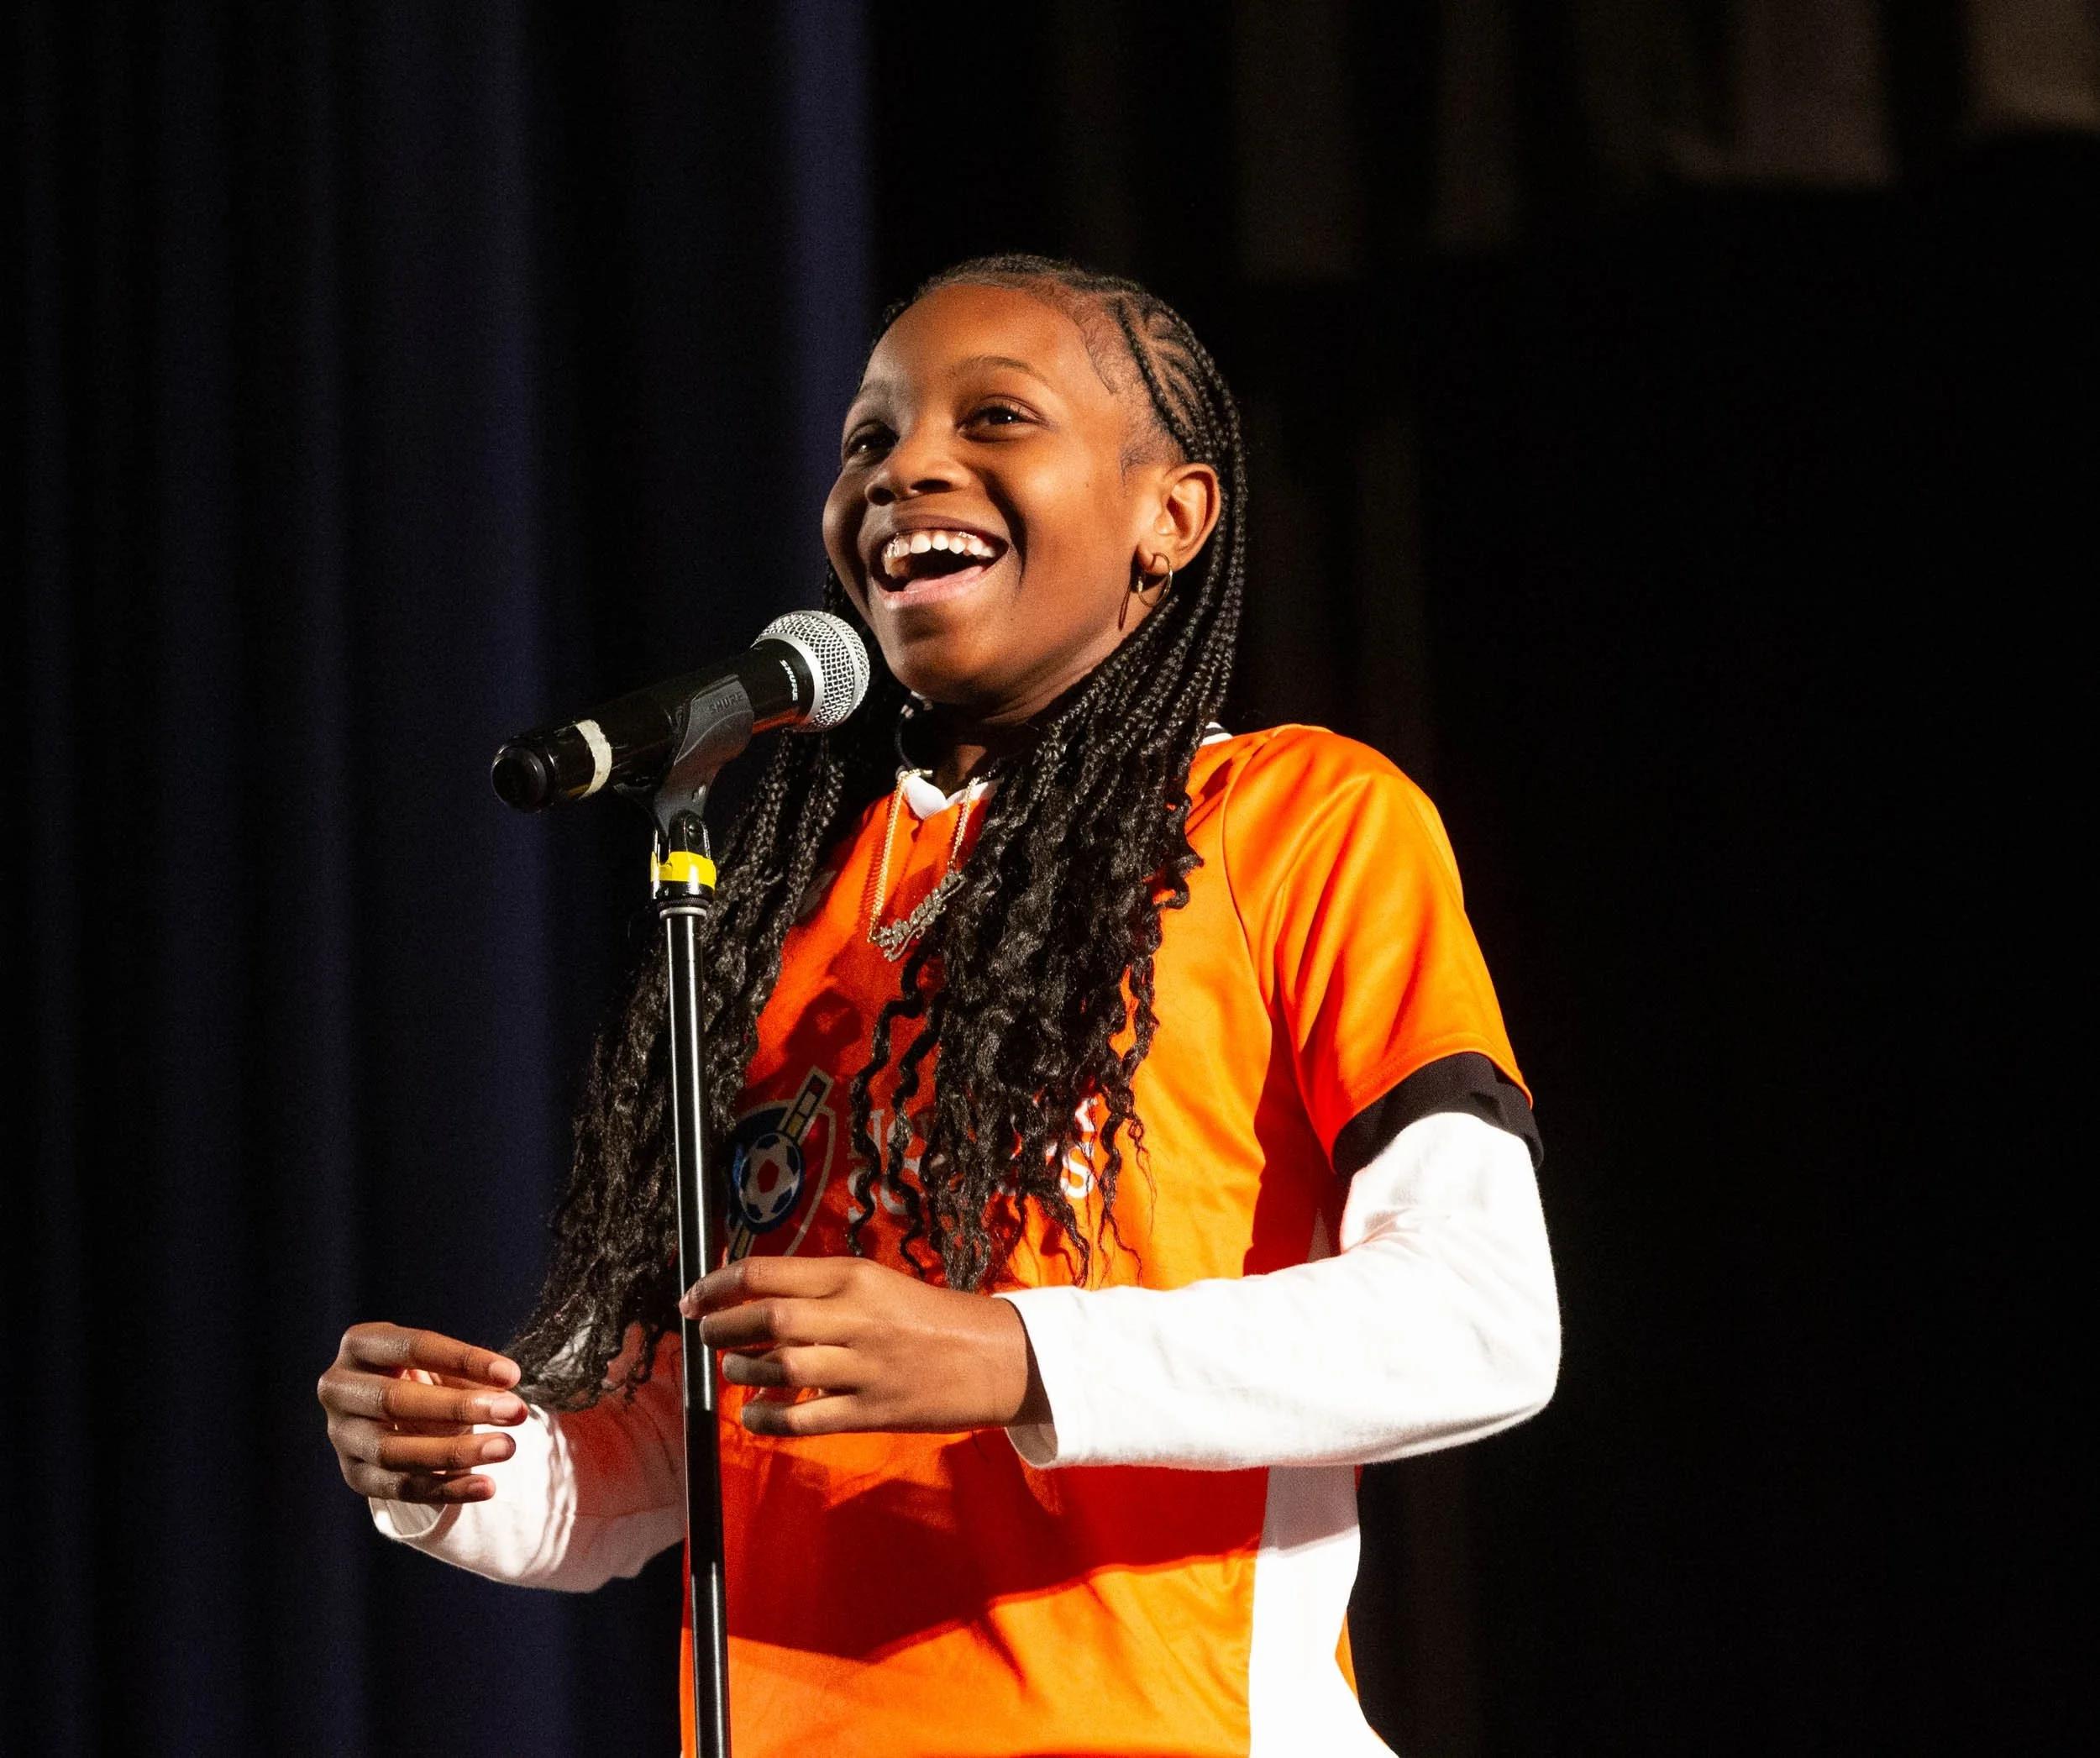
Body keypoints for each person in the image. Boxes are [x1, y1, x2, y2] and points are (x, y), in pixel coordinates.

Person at [317, 255, 1561, 1757]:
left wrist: (1013, 1355)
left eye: (997, 419)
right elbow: (669, 1462)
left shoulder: (1296, 821)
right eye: (868, 439)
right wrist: (469, 1468)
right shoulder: (780, 906)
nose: (908, 467)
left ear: (1170, 516)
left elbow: (1484, 1321)